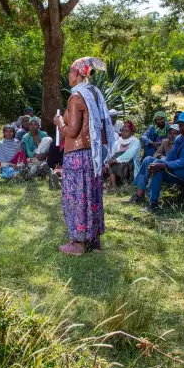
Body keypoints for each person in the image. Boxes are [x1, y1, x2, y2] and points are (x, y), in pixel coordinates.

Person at [54, 57, 113, 255]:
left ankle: (78, 243)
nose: (68, 76)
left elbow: (72, 131)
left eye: (71, 72)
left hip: (77, 155)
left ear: (79, 74)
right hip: (92, 154)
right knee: (92, 196)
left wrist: (58, 123)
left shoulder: (76, 96)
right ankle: (94, 242)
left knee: (77, 196)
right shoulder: (94, 93)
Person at [132, 111, 184, 212]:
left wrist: (163, 165)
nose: (182, 128)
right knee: (148, 160)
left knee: (159, 167)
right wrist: (159, 162)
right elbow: (170, 157)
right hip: (180, 169)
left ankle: (153, 203)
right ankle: (139, 194)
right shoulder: (180, 138)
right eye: (180, 125)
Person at [106, 120, 140, 190]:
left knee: (116, 156)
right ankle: (113, 185)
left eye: (126, 131)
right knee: (114, 157)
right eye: (122, 130)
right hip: (119, 168)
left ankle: (113, 185)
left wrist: (115, 160)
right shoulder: (117, 142)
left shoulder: (136, 142)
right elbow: (111, 155)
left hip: (130, 169)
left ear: (132, 133)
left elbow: (129, 155)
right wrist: (107, 164)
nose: (123, 133)